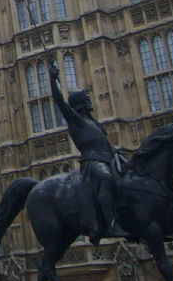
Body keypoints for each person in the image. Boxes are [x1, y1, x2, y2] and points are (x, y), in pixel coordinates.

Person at [49, 61, 127, 244]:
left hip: (107, 159)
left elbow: (108, 146)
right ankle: (110, 224)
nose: (90, 101)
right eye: (86, 98)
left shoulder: (94, 124)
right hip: (92, 163)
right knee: (106, 178)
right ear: (80, 104)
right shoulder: (77, 121)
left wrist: (120, 157)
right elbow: (60, 102)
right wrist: (53, 81)